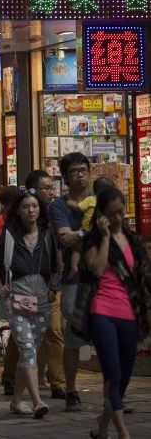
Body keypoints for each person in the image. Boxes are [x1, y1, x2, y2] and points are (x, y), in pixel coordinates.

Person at [82, 186, 149, 439]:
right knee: (113, 373)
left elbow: (143, 276)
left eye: (121, 212)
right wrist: (106, 236)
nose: (118, 218)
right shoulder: (93, 240)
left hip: (128, 313)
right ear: (102, 215)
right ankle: (123, 432)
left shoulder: (133, 240)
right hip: (102, 310)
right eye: (112, 214)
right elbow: (97, 270)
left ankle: (103, 423)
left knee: (126, 373)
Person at [0, 189, 57, 418]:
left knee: (30, 353)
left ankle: (16, 401)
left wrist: (54, 288)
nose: (31, 210)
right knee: (27, 350)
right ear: (17, 210)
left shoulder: (48, 235)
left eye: (35, 206)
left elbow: (58, 266)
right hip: (17, 299)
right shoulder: (9, 235)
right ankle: (37, 402)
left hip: (43, 301)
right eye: (26, 206)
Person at [1, 170, 66, 399]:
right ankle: (11, 378)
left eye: (52, 187)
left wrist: (56, 282)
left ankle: (58, 383)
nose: (50, 191)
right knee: (22, 337)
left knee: (54, 331)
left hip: (48, 286)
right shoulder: (17, 223)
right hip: (23, 289)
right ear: (31, 191)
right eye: (45, 188)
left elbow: (58, 252)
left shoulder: (56, 212)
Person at [49, 151, 92, 411]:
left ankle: (114, 395)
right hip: (73, 279)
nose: (80, 174)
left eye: (83, 170)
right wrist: (92, 230)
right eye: (75, 171)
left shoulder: (99, 199)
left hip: (102, 275)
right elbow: (65, 238)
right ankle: (72, 390)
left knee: (110, 335)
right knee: (73, 337)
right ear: (65, 177)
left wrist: (80, 234)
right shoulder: (59, 206)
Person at [67, 176, 114, 280]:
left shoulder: (90, 200)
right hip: (97, 231)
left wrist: (71, 203)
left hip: (85, 230)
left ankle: (74, 266)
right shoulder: (108, 204)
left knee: (77, 249)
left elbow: (79, 208)